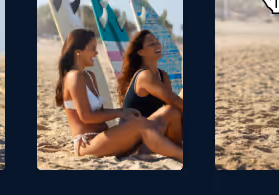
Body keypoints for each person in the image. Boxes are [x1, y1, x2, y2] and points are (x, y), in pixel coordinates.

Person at [56, 28, 184, 161]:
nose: (96, 52)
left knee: (170, 112)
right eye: (92, 48)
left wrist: (124, 112)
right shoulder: (73, 77)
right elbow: (86, 116)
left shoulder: (89, 75)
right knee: (140, 123)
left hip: (107, 137)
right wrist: (120, 112)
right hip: (88, 143)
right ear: (78, 52)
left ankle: (176, 152)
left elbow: (99, 111)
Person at [115, 29, 182, 148]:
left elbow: (173, 103)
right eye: (152, 44)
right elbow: (173, 101)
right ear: (141, 52)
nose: (157, 45)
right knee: (172, 110)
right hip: (131, 137)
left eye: (157, 42)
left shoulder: (163, 75)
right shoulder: (144, 76)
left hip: (151, 129)